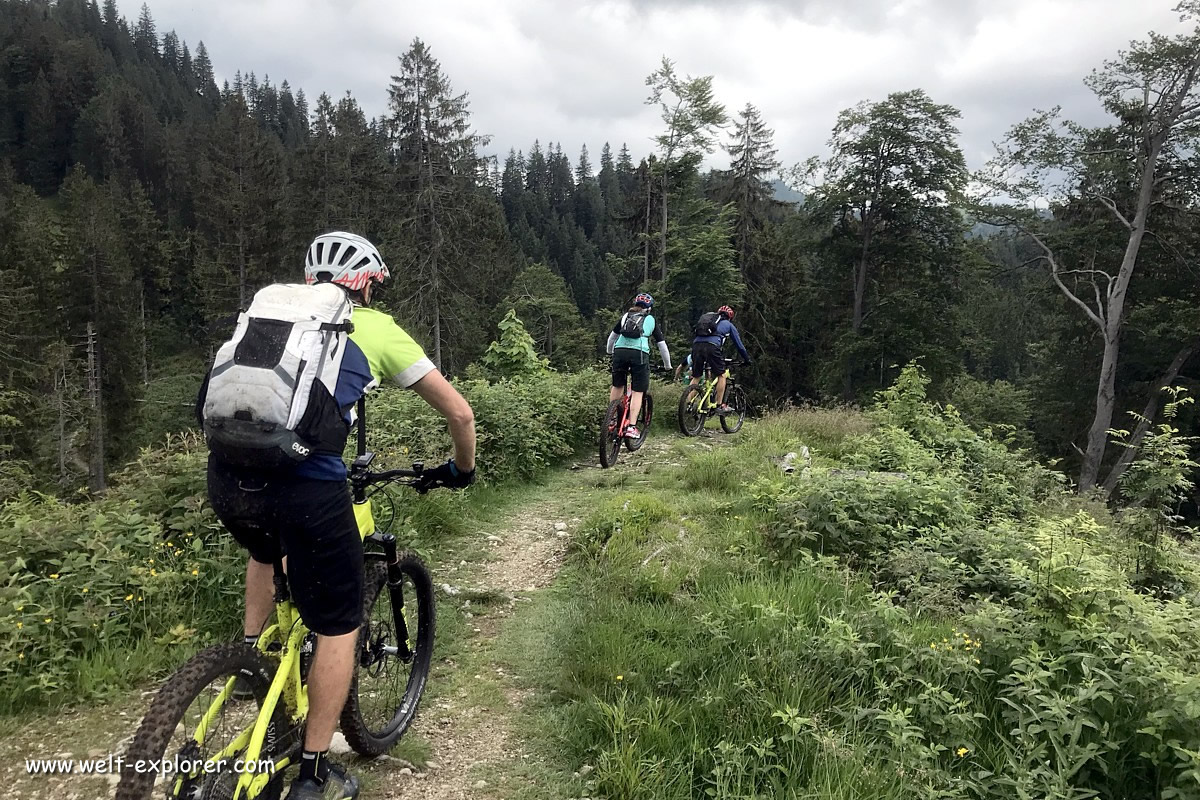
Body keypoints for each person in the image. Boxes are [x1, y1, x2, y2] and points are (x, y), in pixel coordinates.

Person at [205, 232, 476, 800]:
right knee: (338, 625)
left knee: (263, 549)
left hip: (230, 476)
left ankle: (253, 660)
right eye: (375, 284)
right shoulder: (372, 328)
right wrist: (459, 469)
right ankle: (312, 772)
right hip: (310, 486)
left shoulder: (268, 316)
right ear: (364, 283)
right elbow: (460, 412)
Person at [606, 292, 671, 440]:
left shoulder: (625, 316)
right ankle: (632, 427)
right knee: (638, 390)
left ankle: (611, 419)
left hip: (619, 352)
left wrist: (610, 352)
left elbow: (612, 338)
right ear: (649, 308)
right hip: (639, 354)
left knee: (617, 385)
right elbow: (662, 345)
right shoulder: (650, 319)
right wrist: (667, 365)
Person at [690, 304, 751, 415]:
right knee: (721, 375)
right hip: (712, 347)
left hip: (696, 346)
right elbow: (740, 346)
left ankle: (688, 404)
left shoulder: (709, 322)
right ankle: (719, 405)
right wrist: (747, 360)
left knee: (697, 376)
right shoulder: (728, 325)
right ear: (730, 317)